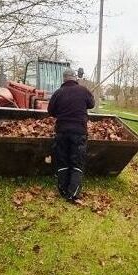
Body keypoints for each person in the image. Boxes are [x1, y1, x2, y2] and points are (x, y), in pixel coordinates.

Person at [47, 68, 95, 201]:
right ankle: (73, 193)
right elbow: (91, 104)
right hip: (79, 132)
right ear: (75, 78)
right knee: (77, 162)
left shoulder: (58, 93)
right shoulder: (84, 91)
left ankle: (63, 190)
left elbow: (50, 111)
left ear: (64, 79)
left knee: (62, 160)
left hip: (61, 132)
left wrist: (61, 113)